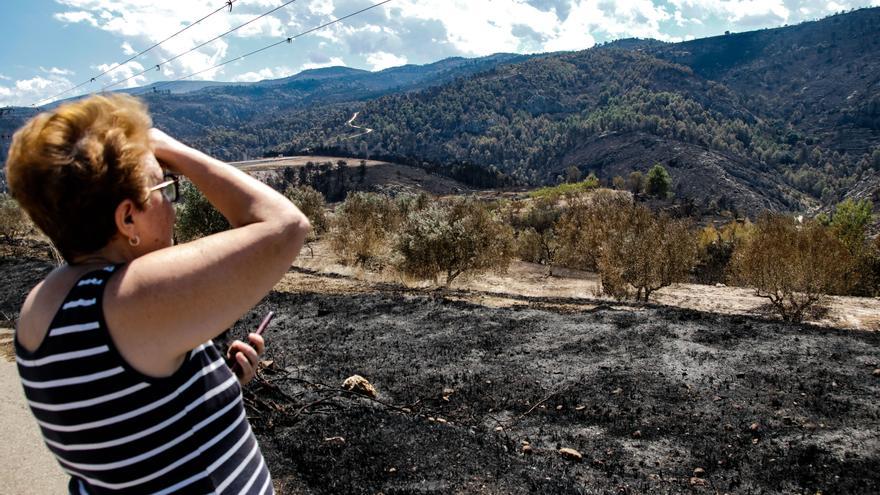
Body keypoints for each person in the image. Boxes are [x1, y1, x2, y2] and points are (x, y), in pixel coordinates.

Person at [5, 94, 310, 494]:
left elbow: (132, 426)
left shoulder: (46, 301)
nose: (173, 204)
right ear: (128, 217)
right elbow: (286, 225)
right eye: (165, 188)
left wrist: (222, 379)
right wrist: (168, 147)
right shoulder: (127, 301)